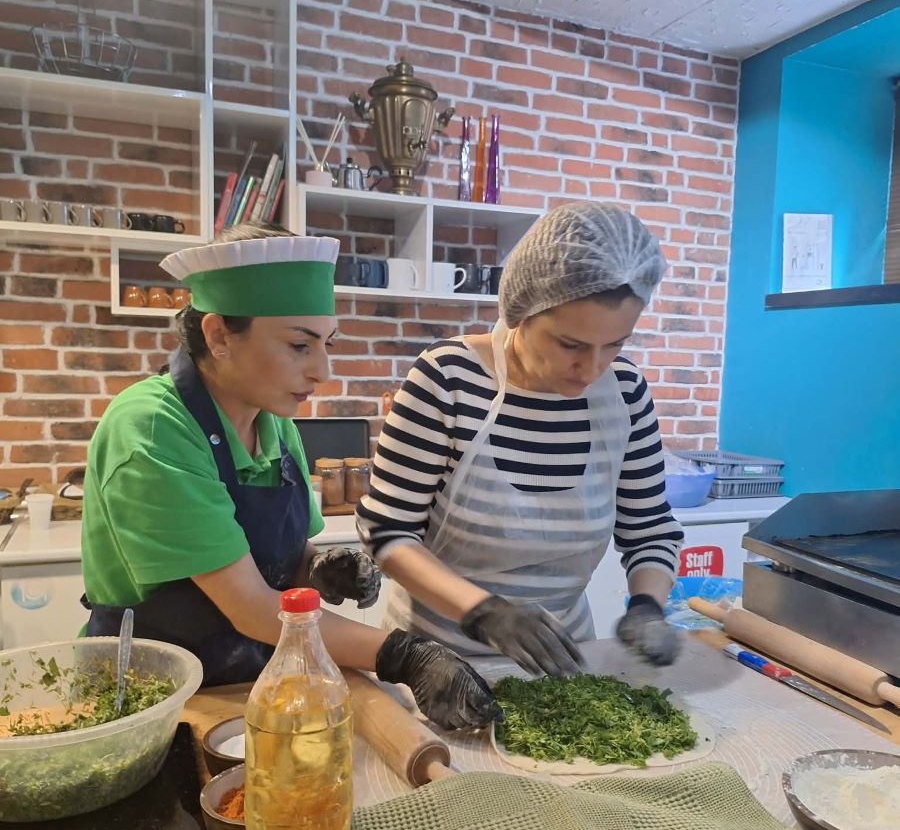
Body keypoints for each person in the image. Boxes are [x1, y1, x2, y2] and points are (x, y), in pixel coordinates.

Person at [81, 223, 499, 730]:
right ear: (218, 336)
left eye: (328, 344)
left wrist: (315, 567)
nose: (323, 369)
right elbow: (252, 607)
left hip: (253, 685)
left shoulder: (274, 422)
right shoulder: (152, 429)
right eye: (300, 345)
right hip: (156, 701)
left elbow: (279, 561)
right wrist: (405, 657)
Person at [356, 202, 684, 677]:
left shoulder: (625, 393)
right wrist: (483, 612)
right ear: (520, 311)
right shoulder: (449, 379)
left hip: (565, 663)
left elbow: (649, 528)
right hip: (437, 667)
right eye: (570, 344)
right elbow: (387, 532)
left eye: (615, 344)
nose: (592, 368)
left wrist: (648, 606)